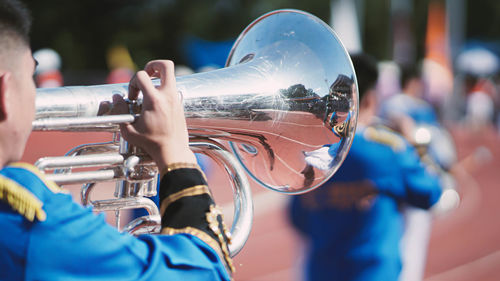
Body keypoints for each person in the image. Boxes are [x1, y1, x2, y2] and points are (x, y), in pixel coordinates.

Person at [0, 1, 232, 280]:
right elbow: (203, 273)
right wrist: (176, 153)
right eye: (30, 78)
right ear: (5, 93)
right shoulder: (28, 223)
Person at [288, 53, 442, 281]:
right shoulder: (389, 150)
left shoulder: (312, 155)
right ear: (369, 99)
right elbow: (430, 192)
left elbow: (297, 217)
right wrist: (414, 144)